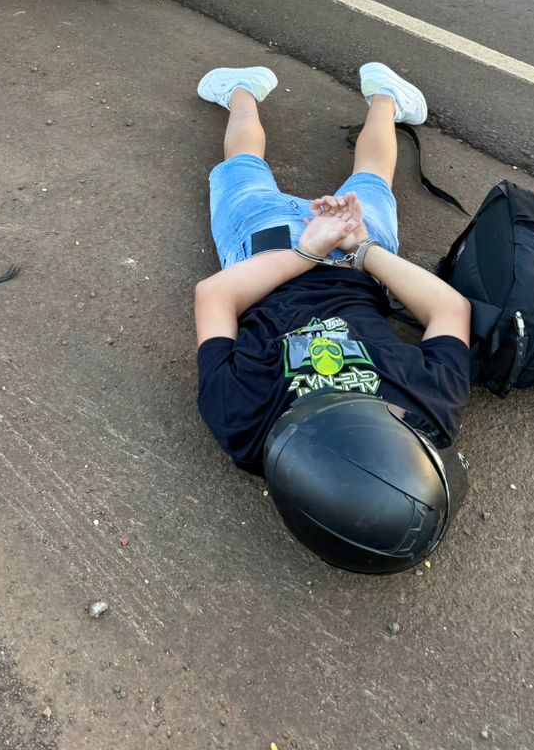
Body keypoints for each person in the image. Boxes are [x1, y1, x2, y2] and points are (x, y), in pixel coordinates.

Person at [194, 61, 473, 573]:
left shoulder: (427, 410)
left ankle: (384, 98)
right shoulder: (245, 427)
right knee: (245, 162)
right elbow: (216, 299)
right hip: (277, 250)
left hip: (324, 256)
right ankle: (241, 92)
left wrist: (333, 249)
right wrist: (353, 246)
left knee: (368, 177)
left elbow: (450, 310)